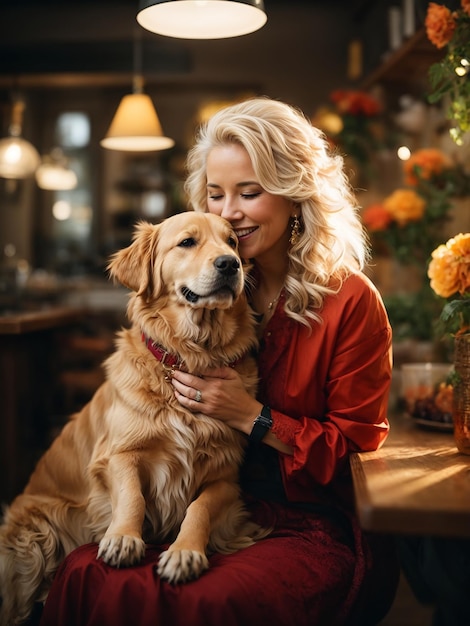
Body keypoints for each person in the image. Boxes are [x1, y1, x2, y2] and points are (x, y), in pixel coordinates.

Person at [38, 97, 398, 626]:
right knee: (92, 573)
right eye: (215, 193)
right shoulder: (210, 283)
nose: (228, 211)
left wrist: (251, 416)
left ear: (296, 194)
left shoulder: (351, 302)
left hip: (308, 517)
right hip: (199, 502)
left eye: (249, 192)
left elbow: (355, 454)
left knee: (202, 599)